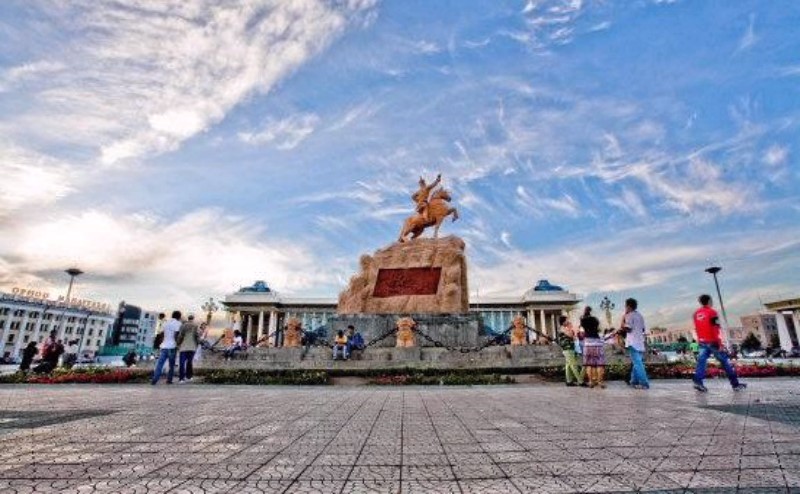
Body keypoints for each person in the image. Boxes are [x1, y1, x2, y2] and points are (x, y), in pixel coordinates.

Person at [692, 294, 747, 393]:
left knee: (701, 362)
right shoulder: (712, 312)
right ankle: (735, 385)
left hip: (702, 342)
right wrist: (720, 343)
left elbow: (697, 328)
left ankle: (698, 382)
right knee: (725, 362)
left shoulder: (696, 314)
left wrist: (700, 339)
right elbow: (715, 328)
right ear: (709, 301)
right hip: (713, 342)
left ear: (700, 302)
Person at [622, 298, 650, 390]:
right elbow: (643, 329)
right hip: (640, 341)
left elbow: (628, 328)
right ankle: (633, 381)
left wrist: (622, 323)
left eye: (625, 306)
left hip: (632, 342)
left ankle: (644, 383)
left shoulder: (629, 315)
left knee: (637, 363)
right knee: (637, 362)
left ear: (628, 306)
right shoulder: (640, 315)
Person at [151, 310, 181, 385]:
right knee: (171, 365)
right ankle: (169, 380)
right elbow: (176, 335)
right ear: (179, 317)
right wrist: (178, 344)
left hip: (164, 346)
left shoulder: (165, 323)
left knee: (160, 364)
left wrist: (161, 343)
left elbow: (161, 334)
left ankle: (155, 379)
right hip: (172, 347)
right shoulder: (178, 323)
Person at [579, 307, 606, 388]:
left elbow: (582, 331)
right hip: (597, 342)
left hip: (587, 343)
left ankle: (591, 382)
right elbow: (599, 329)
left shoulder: (583, 320)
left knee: (589, 364)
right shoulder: (595, 319)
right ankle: (600, 382)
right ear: (591, 311)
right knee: (599, 363)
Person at [558, 316, 585, 387]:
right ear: (563, 321)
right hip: (568, 348)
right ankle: (580, 381)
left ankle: (569, 381)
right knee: (573, 365)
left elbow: (573, 337)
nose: (568, 321)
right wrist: (570, 328)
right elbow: (570, 335)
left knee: (568, 365)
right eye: (567, 320)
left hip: (569, 348)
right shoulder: (562, 328)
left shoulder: (564, 328)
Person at [177, 314, 200, 383]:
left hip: (183, 347)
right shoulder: (196, 326)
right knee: (189, 362)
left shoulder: (183, 326)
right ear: (193, 319)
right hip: (192, 347)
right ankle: (189, 376)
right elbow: (197, 336)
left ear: (188, 318)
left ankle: (181, 378)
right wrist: (197, 344)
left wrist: (178, 344)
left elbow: (180, 336)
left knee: (182, 363)